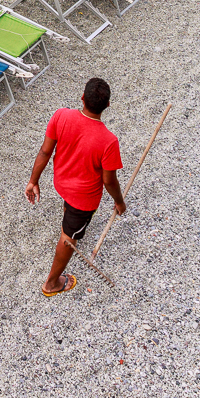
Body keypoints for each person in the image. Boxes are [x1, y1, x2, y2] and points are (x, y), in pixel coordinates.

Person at [25, 76, 126, 296]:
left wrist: (33, 181)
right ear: (107, 106)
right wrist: (119, 201)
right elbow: (109, 180)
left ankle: (68, 220)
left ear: (82, 98)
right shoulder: (109, 141)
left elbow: (45, 151)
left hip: (62, 182)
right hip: (83, 198)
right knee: (69, 237)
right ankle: (51, 284)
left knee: (69, 214)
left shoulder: (61, 115)